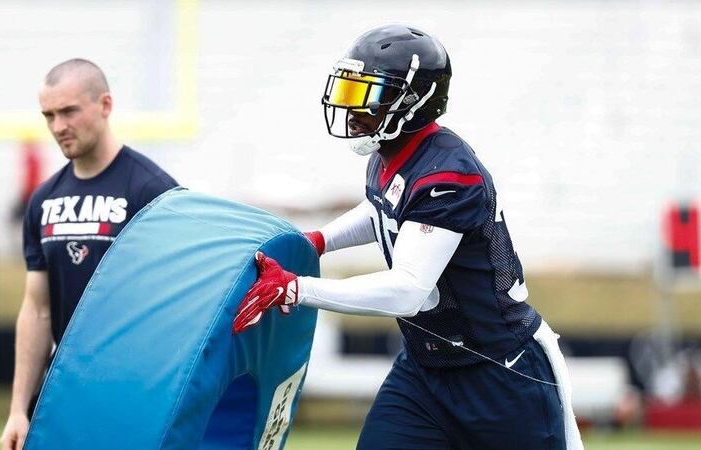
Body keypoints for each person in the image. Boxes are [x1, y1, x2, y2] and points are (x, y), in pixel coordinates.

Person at [233, 25, 583, 449]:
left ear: (414, 100)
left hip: (499, 373)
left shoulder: (448, 174)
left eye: (371, 92)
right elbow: (382, 210)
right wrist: (319, 241)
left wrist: (297, 288)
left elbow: (407, 291)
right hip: (426, 369)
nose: (356, 107)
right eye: (352, 91)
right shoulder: (394, 153)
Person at [0, 59, 179, 450]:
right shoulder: (43, 201)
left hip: (134, 398)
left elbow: (174, 309)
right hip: (62, 397)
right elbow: (36, 310)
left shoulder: (154, 193)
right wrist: (17, 409)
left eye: (68, 111)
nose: (58, 126)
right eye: (48, 115)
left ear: (105, 105)